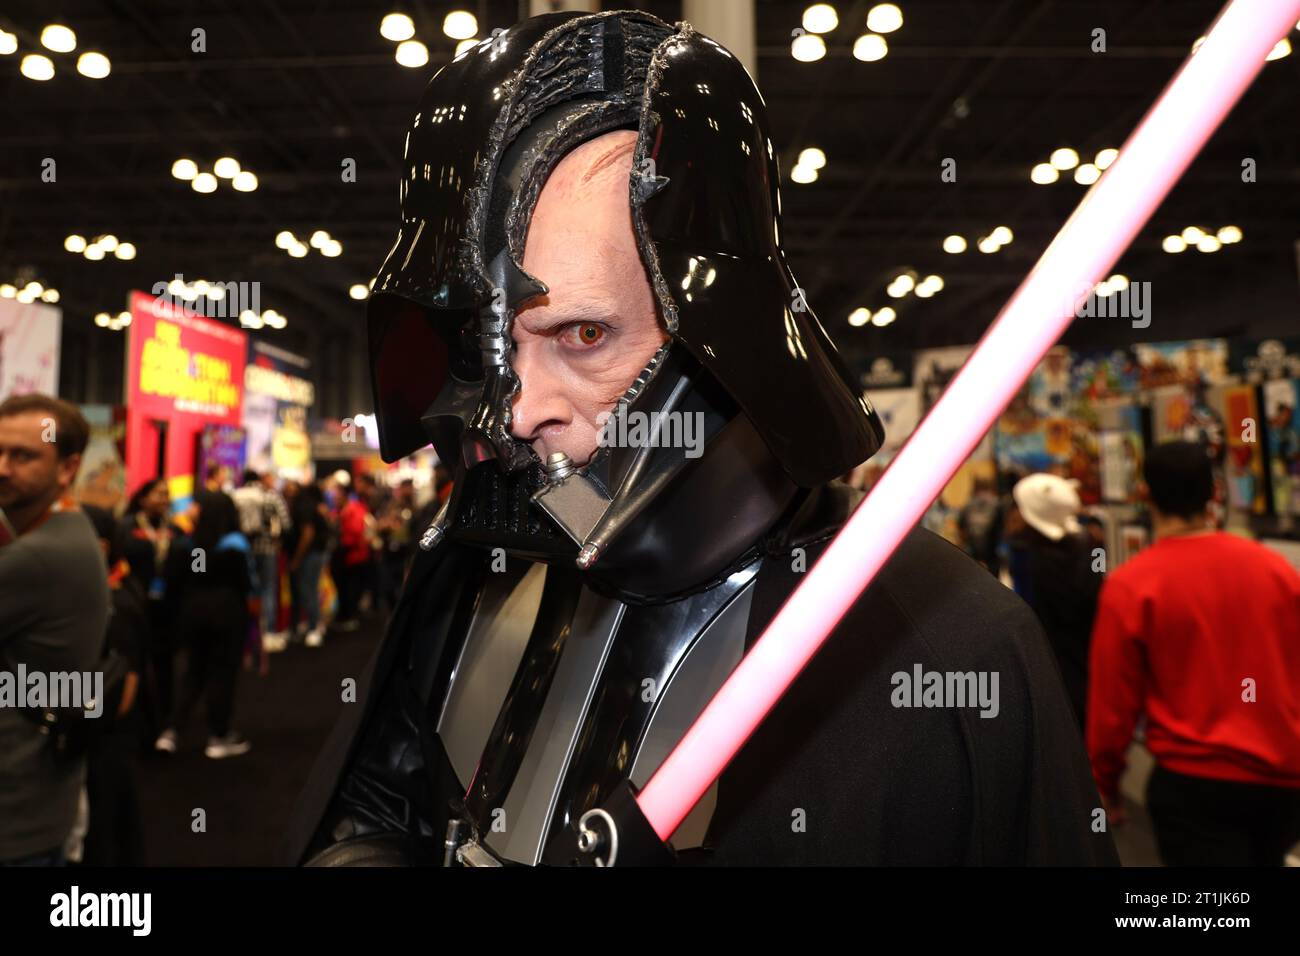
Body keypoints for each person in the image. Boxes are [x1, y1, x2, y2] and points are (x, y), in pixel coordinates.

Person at [286, 11, 1113, 867]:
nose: (518, 409)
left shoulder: (946, 652)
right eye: (483, 347)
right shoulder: (470, 574)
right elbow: (384, 802)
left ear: (722, 338)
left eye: (581, 336)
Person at [1088, 440, 1300, 866]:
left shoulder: (1133, 584)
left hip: (1192, 784)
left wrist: (1104, 783)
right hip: (1281, 783)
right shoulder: (1276, 570)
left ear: (1145, 494)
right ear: (1213, 493)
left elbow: (1113, 702)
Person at [0, 394, 110, 866]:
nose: (3, 467)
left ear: (67, 469)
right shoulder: (68, 528)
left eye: (22, 456)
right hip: (44, 795)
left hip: (15, 813)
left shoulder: (39, 555)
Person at [155, 489, 256, 759]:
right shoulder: (236, 545)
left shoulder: (185, 544)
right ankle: (218, 735)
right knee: (222, 674)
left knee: (193, 673)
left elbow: (169, 583)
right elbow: (248, 585)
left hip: (192, 614)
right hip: (227, 614)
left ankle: (171, 732)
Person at [80, 505, 147, 866]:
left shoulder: (117, 604)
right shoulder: (97, 596)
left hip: (106, 742)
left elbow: (123, 692)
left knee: (105, 829)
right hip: (101, 738)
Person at [1012, 473, 1103, 728]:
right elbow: (1098, 580)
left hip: (1048, 663)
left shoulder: (1026, 557)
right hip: (1084, 659)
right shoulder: (1092, 548)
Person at [231, 469, 291, 652]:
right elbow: (286, 522)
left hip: (242, 549)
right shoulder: (270, 496)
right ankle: (268, 633)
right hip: (267, 548)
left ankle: (245, 635)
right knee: (268, 589)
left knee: (245, 589)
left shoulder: (235, 495)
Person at [288, 481, 329, 648]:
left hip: (310, 554)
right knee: (309, 589)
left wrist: (297, 558)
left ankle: (314, 627)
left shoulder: (303, 506)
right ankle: (313, 625)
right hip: (314, 552)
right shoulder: (312, 505)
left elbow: (307, 534)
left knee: (308, 589)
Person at [957, 474, 1004, 577]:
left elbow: (961, 528)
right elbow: (1001, 527)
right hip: (992, 553)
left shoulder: (968, 505)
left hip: (972, 552)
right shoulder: (996, 504)